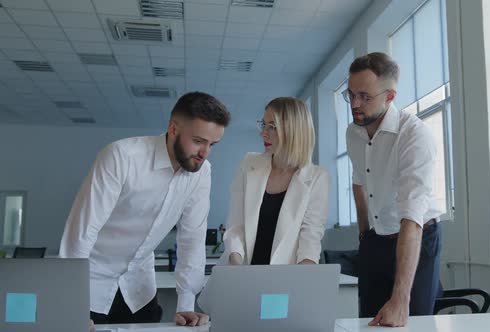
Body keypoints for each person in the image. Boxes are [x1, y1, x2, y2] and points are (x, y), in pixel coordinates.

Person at [59, 91, 230, 328]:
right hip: (90, 287)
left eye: (213, 144)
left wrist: (186, 305)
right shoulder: (121, 156)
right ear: (173, 129)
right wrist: (70, 304)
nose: (205, 153)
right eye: (199, 141)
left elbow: (192, 237)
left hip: (138, 291)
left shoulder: (202, 172)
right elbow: (81, 232)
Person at [344, 52, 442, 327]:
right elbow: (358, 180)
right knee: (369, 320)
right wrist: (365, 235)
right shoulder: (353, 132)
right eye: (350, 94)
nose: (354, 104)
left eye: (364, 96)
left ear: (389, 97)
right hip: (377, 237)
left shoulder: (414, 135)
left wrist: (401, 298)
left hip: (417, 236)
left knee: (408, 321)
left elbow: (411, 216)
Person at [222, 97, 330, 266]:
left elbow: (310, 238)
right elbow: (236, 226)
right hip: (243, 270)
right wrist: (237, 269)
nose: (263, 133)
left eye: (272, 127)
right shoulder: (249, 164)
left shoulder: (317, 178)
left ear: (294, 131)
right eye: (263, 124)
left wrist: (302, 283)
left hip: (286, 279)